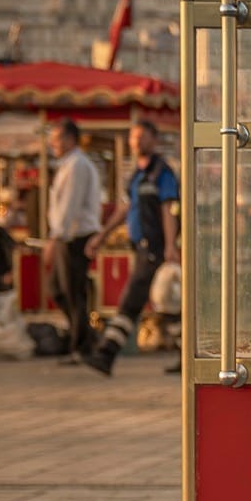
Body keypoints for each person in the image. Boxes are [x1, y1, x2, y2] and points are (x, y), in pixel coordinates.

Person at [82, 122, 179, 376]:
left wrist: (170, 246)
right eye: (133, 137)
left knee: (131, 300)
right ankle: (187, 354)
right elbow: (125, 209)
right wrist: (102, 235)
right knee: (168, 303)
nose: (136, 141)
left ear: (154, 139)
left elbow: (168, 210)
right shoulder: (136, 175)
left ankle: (106, 353)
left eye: (142, 136)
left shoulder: (162, 172)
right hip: (139, 248)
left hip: (155, 248)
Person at [45, 118, 102, 360]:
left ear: (69, 139)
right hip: (67, 235)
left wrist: (55, 237)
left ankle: (81, 346)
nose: (53, 145)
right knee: (57, 289)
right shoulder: (67, 164)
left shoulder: (77, 165)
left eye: (56, 140)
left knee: (72, 292)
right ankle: (84, 336)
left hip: (75, 236)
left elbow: (70, 204)